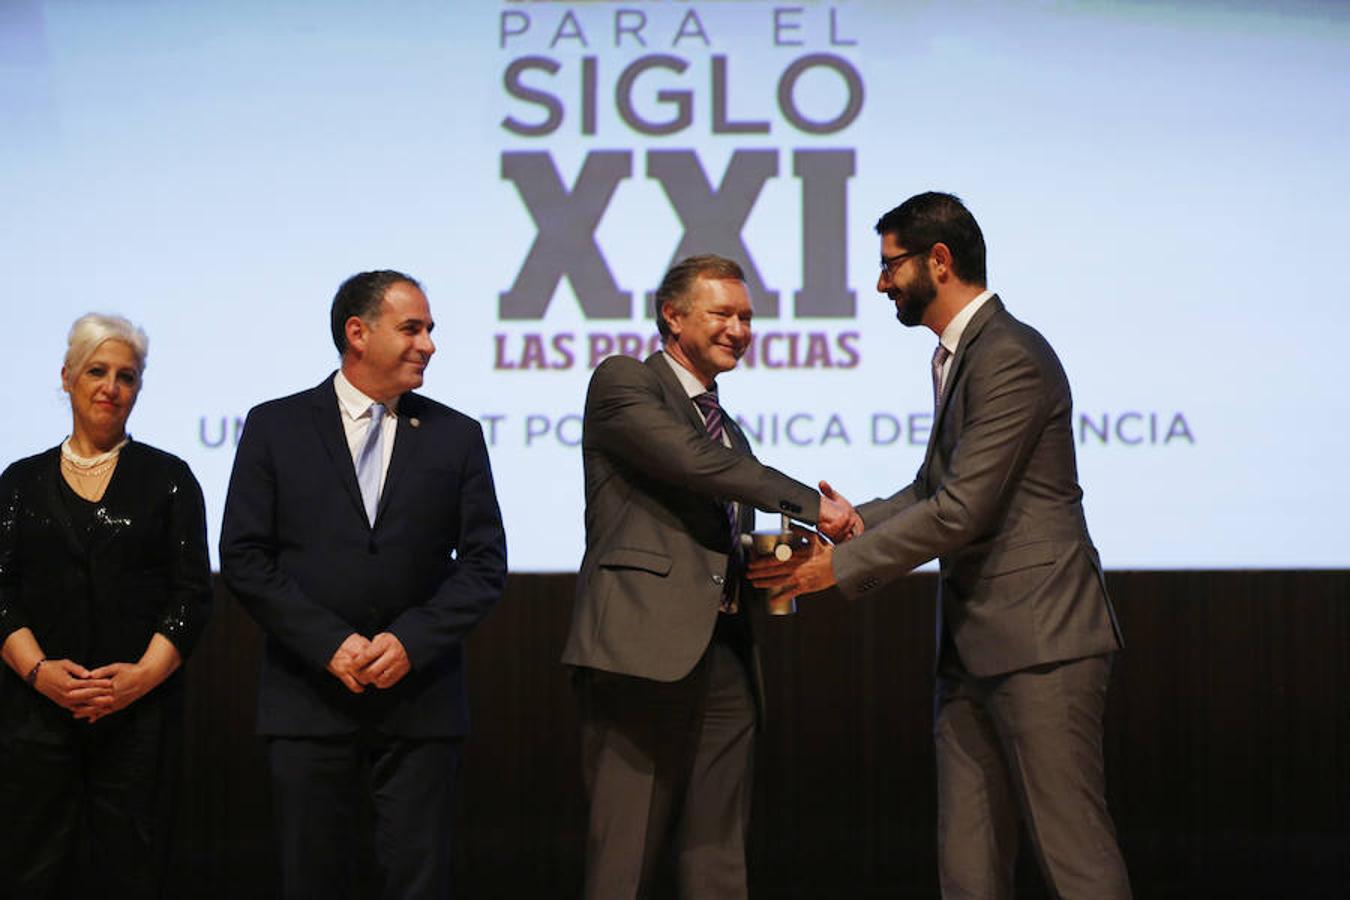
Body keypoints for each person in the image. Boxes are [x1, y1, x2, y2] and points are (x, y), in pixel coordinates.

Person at [750, 192, 1132, 899]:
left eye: (889, 264)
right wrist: (852, 523)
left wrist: (842, 568)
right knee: (968, 867)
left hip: (1041, 644)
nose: (881, 282)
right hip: (972, 650)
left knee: (1072, 855)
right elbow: (932, 489)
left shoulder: (1010, 354)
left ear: (939, 260)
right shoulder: (960, 355)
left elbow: (962, 510)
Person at [563, 254, 853, 900]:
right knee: (625, 861)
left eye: (747, 317)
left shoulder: (731, 432)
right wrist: (812, 503)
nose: (740, 329)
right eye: (722, 313)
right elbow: (695, 467)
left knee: (718, 860)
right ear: (673, 315)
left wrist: (792, 564)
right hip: (639, 656)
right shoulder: (623, 383)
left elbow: (733, 532)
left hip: (726, 658)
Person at [220, 270, 507, 900]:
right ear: (357, 333)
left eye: (429, 330)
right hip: (308, 702)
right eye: (412, 328)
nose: (428, 344)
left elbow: (485, 564)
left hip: (420, 705)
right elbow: (244, 556)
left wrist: (409, 642)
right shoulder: (276, 426)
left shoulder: (458, 435)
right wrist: (330, 643)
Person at [0, 313, 212, 898]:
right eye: (97, 371)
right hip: (34, 718)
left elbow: (192, 595)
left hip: (139, 720)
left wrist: (140, 679)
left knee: (134, 873)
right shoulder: (18, 483)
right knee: (32, 869)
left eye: (127, 376)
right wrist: (41, 674)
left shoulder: (170, 479)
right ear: (66, 378)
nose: (110, 387)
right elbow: (1, 591)